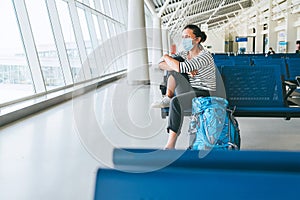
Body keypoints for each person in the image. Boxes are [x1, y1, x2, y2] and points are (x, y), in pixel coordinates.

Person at [152, 24, 216, 149]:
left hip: (204, 93)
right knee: (175, 65)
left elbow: (178, 66)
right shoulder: (185, 54)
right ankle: (167, 97)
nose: (184, 40)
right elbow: (160, 65)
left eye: (187, 37)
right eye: (183, 37)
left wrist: (167, 57)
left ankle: (170, 144)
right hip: (191, 90)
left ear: (197, 40)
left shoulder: (204, 56)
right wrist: (176, 65)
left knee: (176, 100)